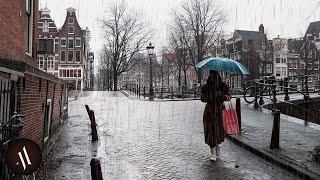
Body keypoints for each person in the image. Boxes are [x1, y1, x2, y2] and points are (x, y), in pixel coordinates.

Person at [201, 70, 230, 161]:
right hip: (210, 112)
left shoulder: (223, 86)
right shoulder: (206, 87)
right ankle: (213, 152)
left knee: (215, 131)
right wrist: (213, 95)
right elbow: (203, 98)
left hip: (218, 112)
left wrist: (220, 95)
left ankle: (216, 148)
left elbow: (228, 97)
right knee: (211, 132)